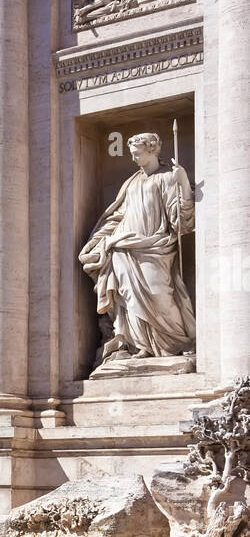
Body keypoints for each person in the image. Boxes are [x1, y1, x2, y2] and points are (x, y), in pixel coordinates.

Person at [79, 132, 195, 363]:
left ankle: (178, 342)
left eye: (137, 154)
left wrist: (182, 181)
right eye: (131, 154)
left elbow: (181, 220)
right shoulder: (131, 182)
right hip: (122, 247)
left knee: (159, 294)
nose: (133, 159)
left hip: (155, 246)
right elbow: (118, 216)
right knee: (129, 298)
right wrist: (97, 240)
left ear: (152, 150)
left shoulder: (167, 178)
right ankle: (139, 345)